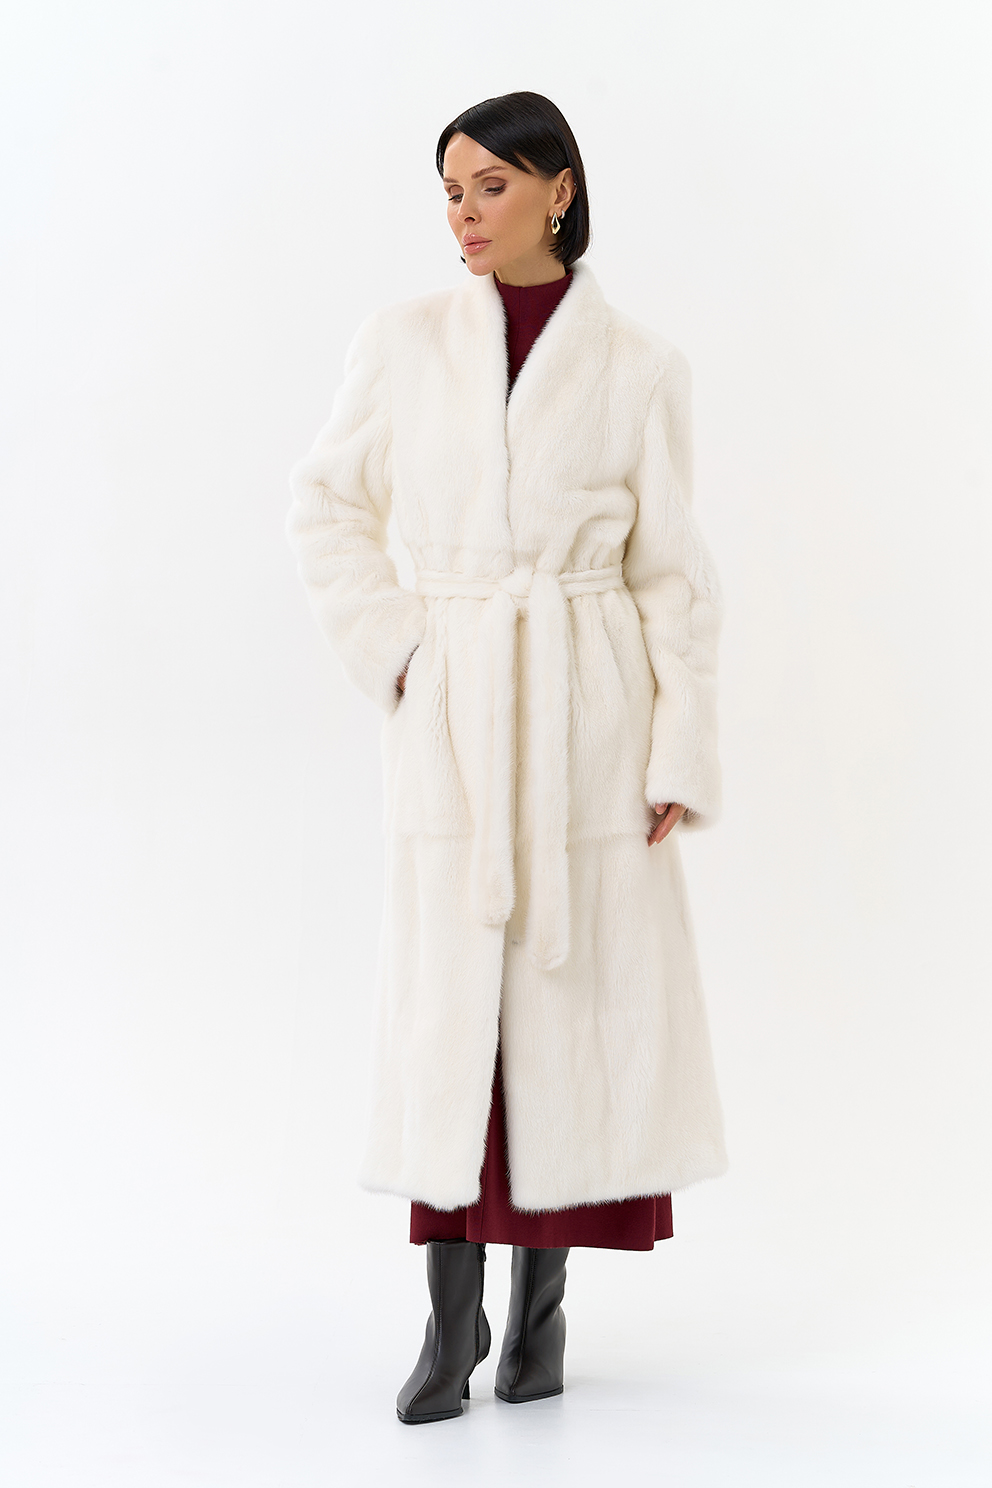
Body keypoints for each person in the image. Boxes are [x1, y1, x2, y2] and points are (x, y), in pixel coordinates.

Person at [286, 91, 727, 1425]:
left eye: (488, 186)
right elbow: (326, 505)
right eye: (450, 192)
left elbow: (672, 574)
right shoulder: (401, 343)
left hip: (591, 717)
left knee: (569, 1014)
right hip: (459, 715)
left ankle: (540, 1319)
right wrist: (401, 651)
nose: (463, 215)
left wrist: (675, 745)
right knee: (453, 1023)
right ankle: (450, 1324)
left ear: (558, 189)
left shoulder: (642, 366)